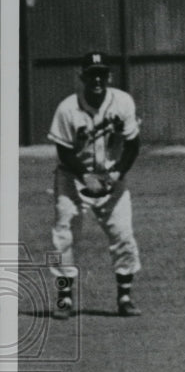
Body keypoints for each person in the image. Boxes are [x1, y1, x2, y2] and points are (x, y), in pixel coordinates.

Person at [47, 51, 143, 319]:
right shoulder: (68, 108)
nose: (97, 79)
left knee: (123, 234)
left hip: (111, 175)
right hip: (71, 177)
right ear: (83, 77)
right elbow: (64, 152)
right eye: (92, 74)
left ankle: (124, 296)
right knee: (63, 235)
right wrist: (85, 175)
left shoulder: (122, 102)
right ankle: (64, 298)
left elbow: (133, 145)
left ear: (109, 76)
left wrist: (117, 173)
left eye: (102, 74)